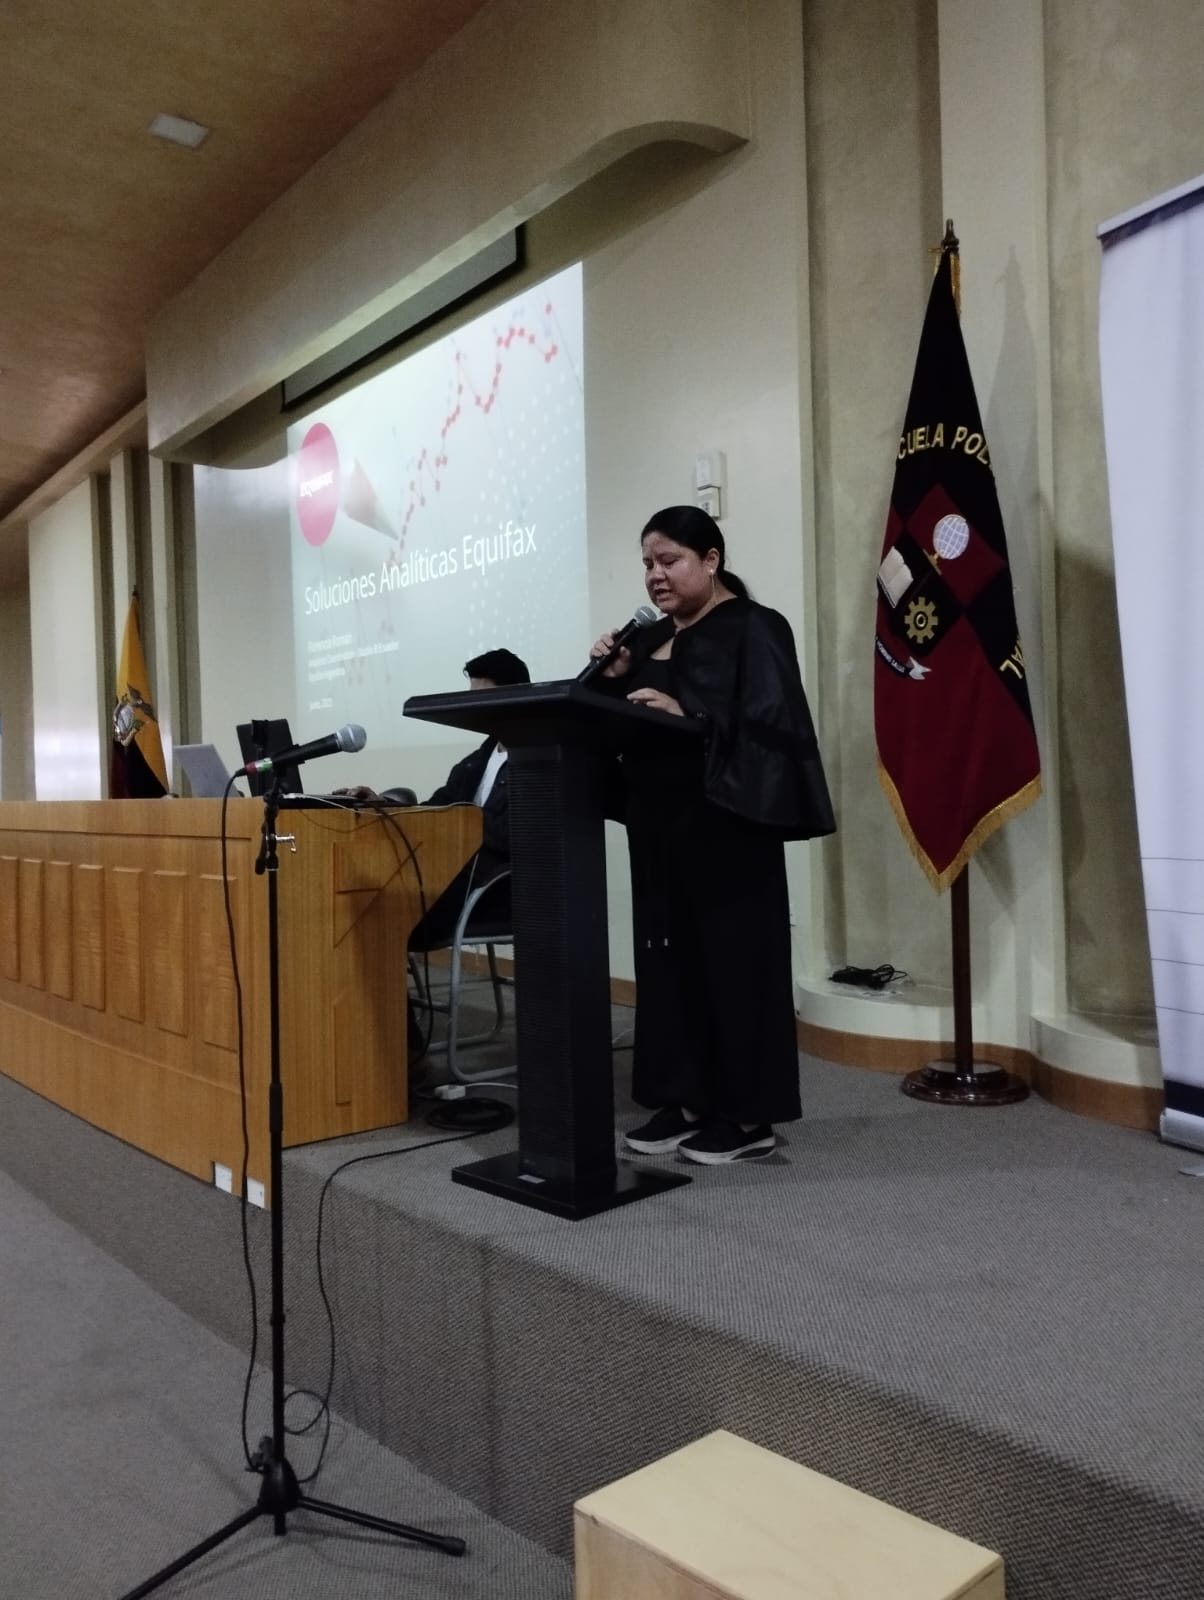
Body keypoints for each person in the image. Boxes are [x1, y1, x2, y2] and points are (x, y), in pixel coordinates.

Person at [589, 506, 834, 1165]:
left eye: (669, 560)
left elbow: (773, 725)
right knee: (668, 965)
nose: (655, 574)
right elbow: (618, 727)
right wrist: (611, 680)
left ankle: (748, 1117)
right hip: (660, 824)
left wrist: (690, 717)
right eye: (647, 563)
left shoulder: (755, 627)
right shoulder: (644, 641)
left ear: (711, 559)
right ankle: (686, 1098)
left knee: (735, 965)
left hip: (729, 824)